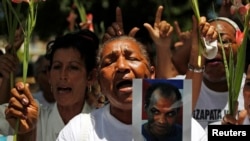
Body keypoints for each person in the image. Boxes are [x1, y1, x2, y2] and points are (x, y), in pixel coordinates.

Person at [56, 6, 215, 140]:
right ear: (99, 81)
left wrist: (195, 54)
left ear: (152, 74)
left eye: (131, 58)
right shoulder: (79, 131)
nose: (122, 66)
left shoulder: (181, 130)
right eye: (110, 61)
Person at [1, 29, 99, 141]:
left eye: (73, 67)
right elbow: (2, 120)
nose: (63, 75)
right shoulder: (33, 116)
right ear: (49, 75)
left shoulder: (101, 124)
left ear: (90, 77)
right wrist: (7, 71)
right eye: (57, 67)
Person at [191, 17, 245, 129]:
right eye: (206, 43)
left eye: (223, 41)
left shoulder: (247, 90)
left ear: (240, 44)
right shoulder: (182, 88)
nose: (214, 48)